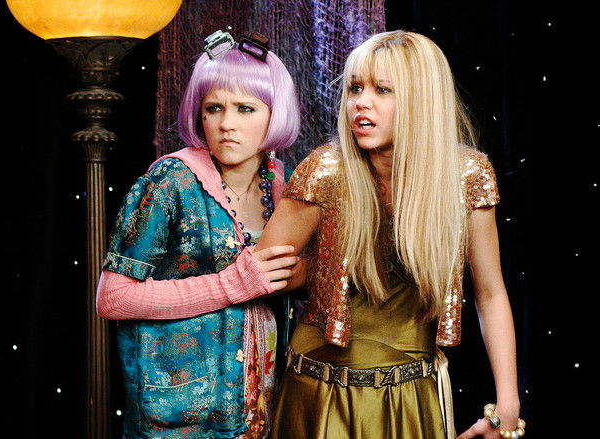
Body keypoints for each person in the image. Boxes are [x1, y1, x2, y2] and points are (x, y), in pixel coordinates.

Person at [257, 31, 524, 439]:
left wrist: (507, 405)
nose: (361, 102)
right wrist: (318, 264)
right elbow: (262, 274)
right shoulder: (326, 170)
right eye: (355, 89)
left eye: (382, 90)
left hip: (411, 393)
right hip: (321, 390)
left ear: (422, 99)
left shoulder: (466, 176)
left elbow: (490, 293)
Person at [96, 30, 302, 439]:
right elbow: (113, 298)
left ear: (275, 114)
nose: (226, 124)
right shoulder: (170, 181)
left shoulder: (284, 184)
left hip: (259, 405)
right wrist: (230, 285)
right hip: (180, 413)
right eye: (214, 108)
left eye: (246, 108)